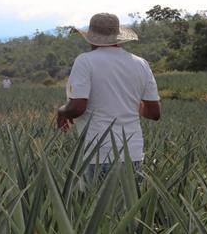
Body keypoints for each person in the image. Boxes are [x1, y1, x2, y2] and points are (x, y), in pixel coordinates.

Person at [56, 13, 162, 177]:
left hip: (98, 153)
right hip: (133, 153)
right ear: (118, 38)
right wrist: (126, 101)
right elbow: (154, 113)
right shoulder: (141, 64)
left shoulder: (85, 61)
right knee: (130, 194)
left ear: (91, 39)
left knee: (94, 194)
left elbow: (77, 108)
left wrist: (62, 111)